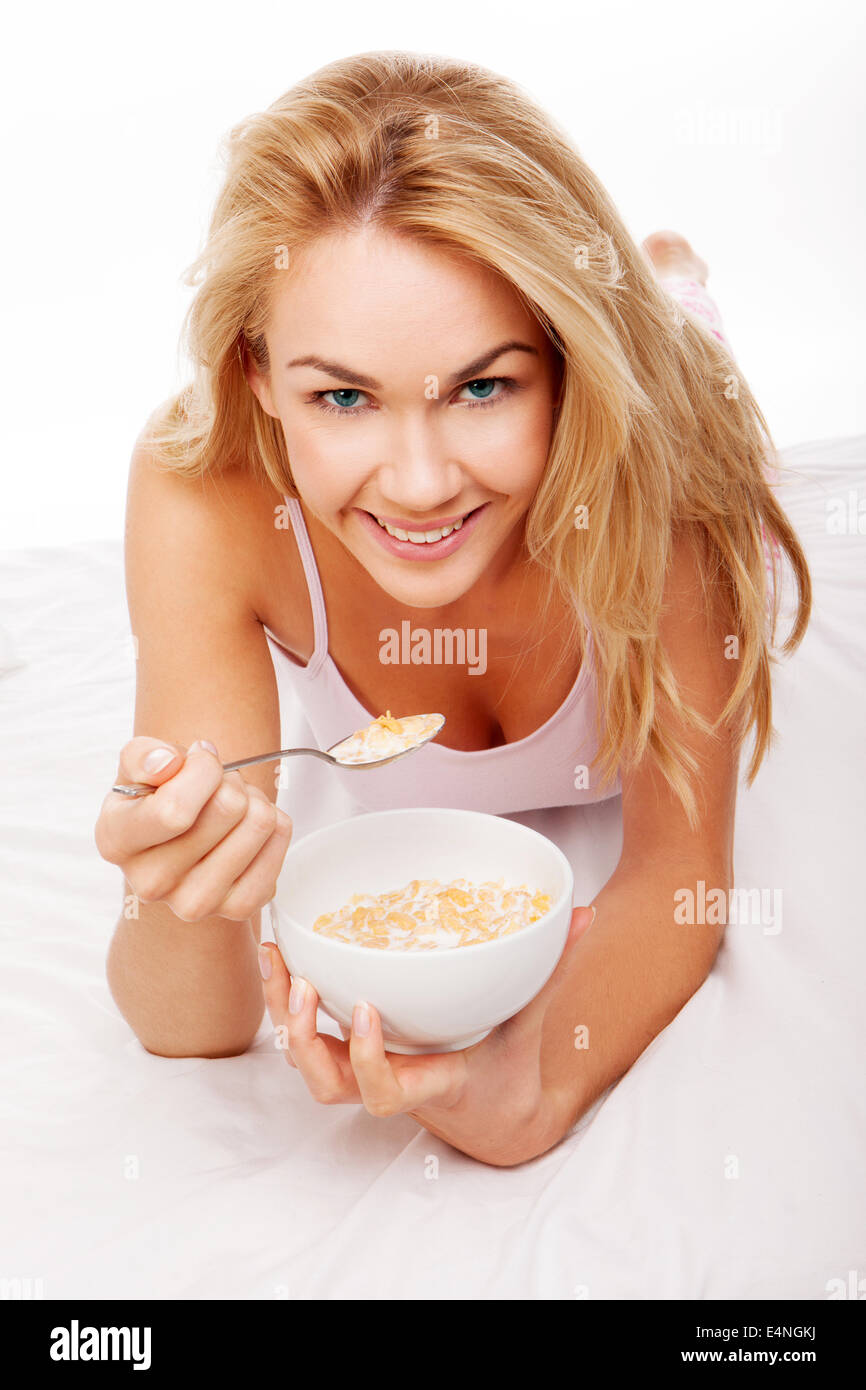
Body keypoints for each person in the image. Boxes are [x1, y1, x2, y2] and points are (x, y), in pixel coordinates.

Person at [94, 51, 811, 1167]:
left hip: (666, 410)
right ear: (253, 379)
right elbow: (189, 1027)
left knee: (690, 348)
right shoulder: (205, 491)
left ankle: (670, 285)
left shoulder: (660, 466)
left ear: (568, 369)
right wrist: (179, 887)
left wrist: (533, 1084)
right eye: (340, 396)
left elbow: (677, 872)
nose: (419, 484)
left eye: (483, 385)